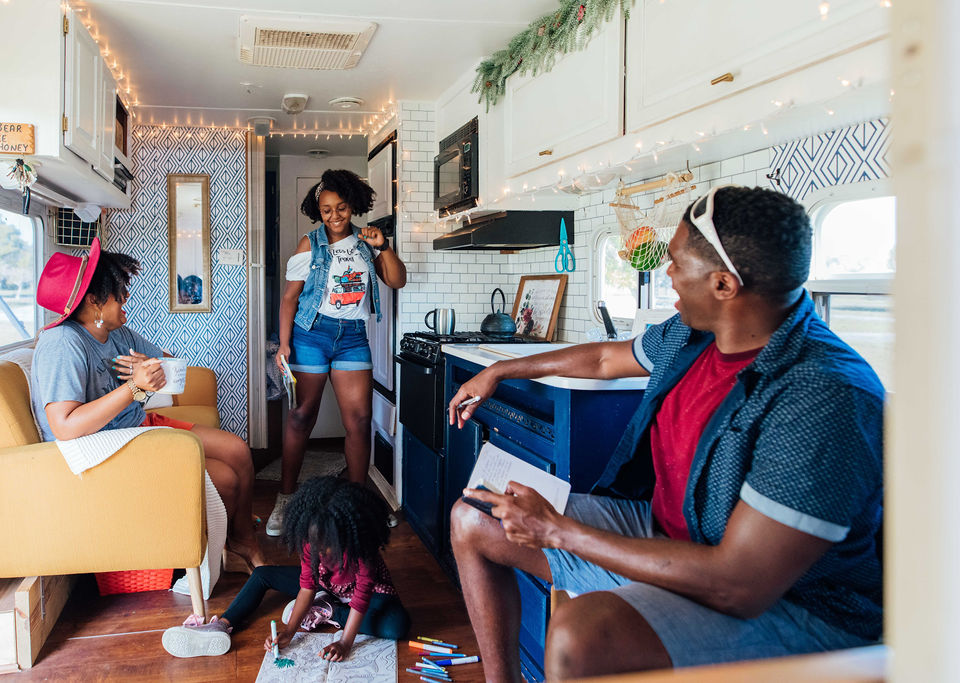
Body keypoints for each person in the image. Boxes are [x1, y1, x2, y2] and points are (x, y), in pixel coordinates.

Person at [447, 186, 884, 681]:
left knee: (580, 637)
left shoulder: (822, 396)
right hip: (672, 536)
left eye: (677, 262)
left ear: (724, 284)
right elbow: (604, 357)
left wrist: (558, 531)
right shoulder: (694, 335)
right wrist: (501, 372)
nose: (667, 273)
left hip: (797, 608)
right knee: (473, 514)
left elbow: (738, 585)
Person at [31, 238, 264, 570]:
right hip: (104, 448)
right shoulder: (63, 343)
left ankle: (241, 539)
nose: (127, 298)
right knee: (225, 479)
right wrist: (133, 387)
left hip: (135, 427)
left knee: (238, 450)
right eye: (120, 292)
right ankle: (206, 552)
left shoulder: (118, 334)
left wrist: (151, 368)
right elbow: (64, 427)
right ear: (96, 300)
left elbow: (170, 365)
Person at [267, 169, 407, 536]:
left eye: (341, 208)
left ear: (352, 206)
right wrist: (283, 345)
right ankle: (286, 498)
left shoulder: (366, 243)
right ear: (319, 211)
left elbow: (396, 280)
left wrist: (384, 246)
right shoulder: (309, 245)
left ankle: (358, 503)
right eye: (326, 209)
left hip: (353, 337)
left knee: (359, 422)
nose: (334, 216)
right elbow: (289, 299)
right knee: (301, 417)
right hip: (311, 334)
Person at [161, 476, 411, 659]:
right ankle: (223, 624)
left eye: (326, 548)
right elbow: (306, 587)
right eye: (314, 546)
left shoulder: (361, 549)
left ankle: (329, 612)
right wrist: (289, 631)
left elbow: (361, 598)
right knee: (262, 574)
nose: (319, 553)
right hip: (325, 585)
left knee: (397, 625)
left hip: (364, 595)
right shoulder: (309, 541)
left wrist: (345, 643)